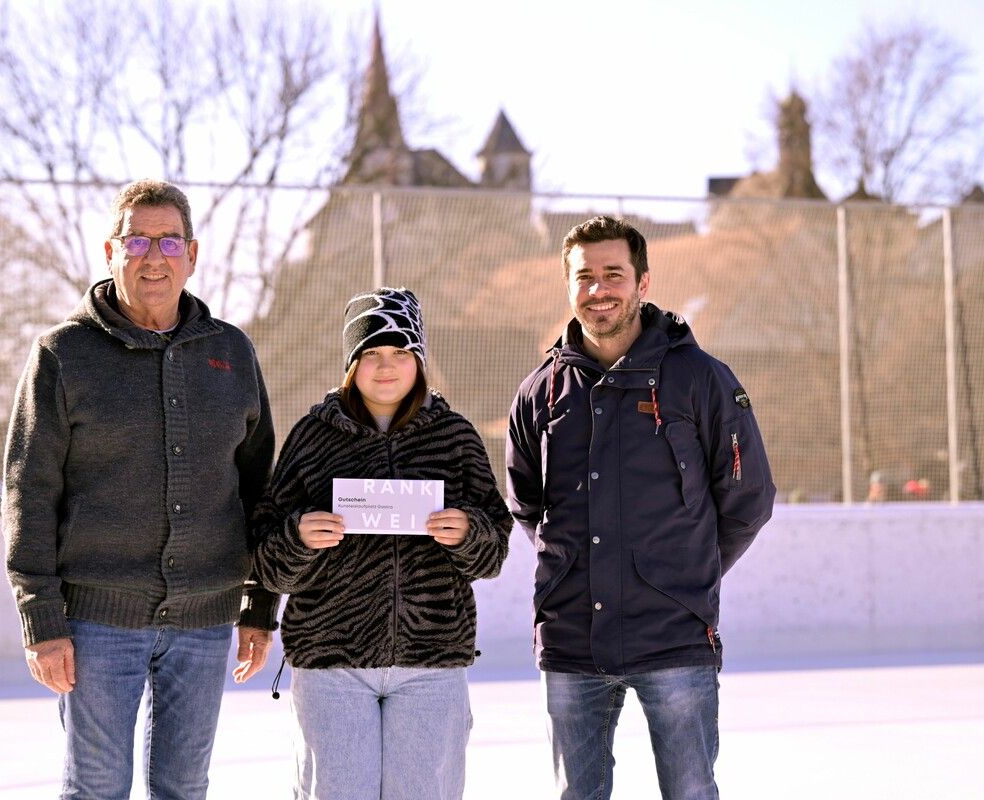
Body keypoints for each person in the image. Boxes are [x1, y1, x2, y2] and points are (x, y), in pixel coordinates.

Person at [2, 179, 277, 799]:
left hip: (206, 619)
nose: (154, 256)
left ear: (193, 254)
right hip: (95, 620)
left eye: (170, 241)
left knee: (186, 787)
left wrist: (260, 606)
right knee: (97, 788)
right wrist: (40, 621)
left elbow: (260, 490)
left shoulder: (232, 352)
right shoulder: (61, 355)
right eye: (138, 240)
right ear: (110, 250)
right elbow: (29, 493)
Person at [505, 216, 776, 800]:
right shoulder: (540, 392)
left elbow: (748, 500)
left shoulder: (702, 380)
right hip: (571, 637)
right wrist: (575, 568)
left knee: (690, 791)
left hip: (673, 635)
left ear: (643, 282)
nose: (599, 289)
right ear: (569, 286)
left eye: (613, 274)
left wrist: (684, 572)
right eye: (585, 277)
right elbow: (527, 505)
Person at [252, 287, 512, 800]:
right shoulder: (311, 436)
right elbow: (266, 557)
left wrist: (468, 533)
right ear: (351, 362)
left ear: (418, 359)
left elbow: (496, 548)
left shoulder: (456, 437)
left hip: (431, 663)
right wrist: (298, 537)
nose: (385, 366)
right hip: (332, 664)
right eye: (370, 353)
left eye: (399, 352)